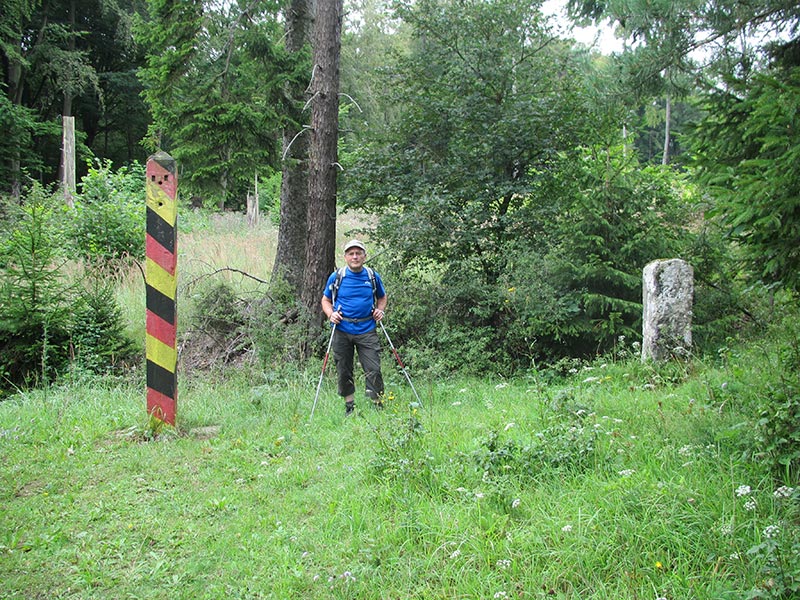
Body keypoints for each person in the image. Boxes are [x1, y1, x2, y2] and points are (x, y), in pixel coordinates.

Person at [321, 240, 388, 416]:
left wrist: (380, 310)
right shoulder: (337, 277)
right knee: (344, 369)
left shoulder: (372, 276)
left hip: (367, 329)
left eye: (358, 253)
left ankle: (377, 406)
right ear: (345, 257)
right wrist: (330, 314)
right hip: (342, 329)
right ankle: (349, 407)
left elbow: (382, 297)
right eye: (351, 253)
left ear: (364, 256)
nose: (355, 257)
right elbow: (325, 300)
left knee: (373, 368)